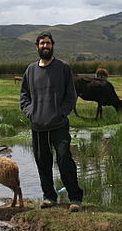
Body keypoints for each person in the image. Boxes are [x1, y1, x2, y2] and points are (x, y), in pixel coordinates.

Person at [20, 32, 84, 212]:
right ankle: (49, 197)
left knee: (65, 159)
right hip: (38, 125)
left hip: (59, 124)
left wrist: (61, 114)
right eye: (42, 44)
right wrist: (30, 112)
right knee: (42, 161)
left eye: (48, 43)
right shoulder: (30, 70)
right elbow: (24, 96)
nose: (45, 46)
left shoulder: (63, 67)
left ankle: (75, 198)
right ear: (37, 47)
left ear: (52, 45)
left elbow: (71, 96)